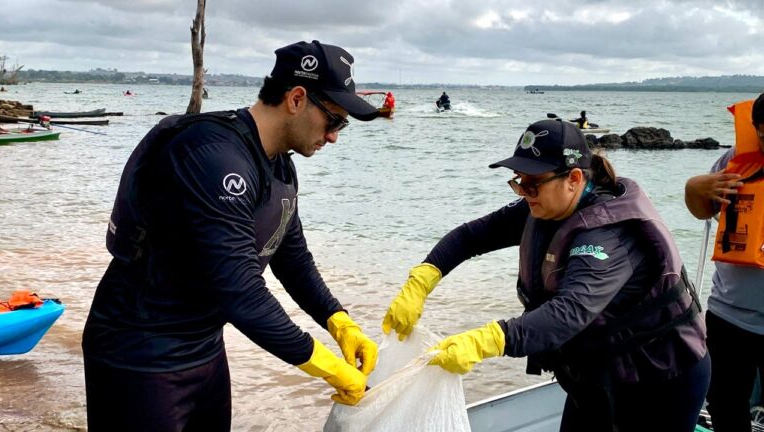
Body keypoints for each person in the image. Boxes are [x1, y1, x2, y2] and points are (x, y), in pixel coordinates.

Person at [82, 40, 380, 431]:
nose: (334, 137)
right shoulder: (212, 156)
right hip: (139, 353)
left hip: (203, 348)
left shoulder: (279, 167)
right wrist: (328, 367)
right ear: (296, 98)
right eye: (334, 121)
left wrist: (339, 321)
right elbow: (240, 290)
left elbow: (292, 258)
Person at [382, 119, 710, 432]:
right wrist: (422, 280)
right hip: (598, 372)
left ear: (575, 178)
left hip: (660, 377)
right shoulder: (545, 206)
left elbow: (568, 314)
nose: (524, 192)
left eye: (534, 182)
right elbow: (471, 237)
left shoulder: (607, 235)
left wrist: (486, 340)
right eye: (519, 180)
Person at [685, 93, 764, 432]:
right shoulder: (736, 160)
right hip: (730, 313)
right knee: (724, 403)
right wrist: (694, 188)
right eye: (762, 133)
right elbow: (704, 211)